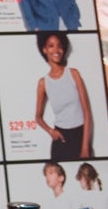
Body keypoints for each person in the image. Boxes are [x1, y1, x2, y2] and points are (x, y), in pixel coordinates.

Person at [32, 28, 92, 158]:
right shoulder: (43, 83)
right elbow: (38, 116)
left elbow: (86, 113)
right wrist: (50, 131)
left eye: (59, 46)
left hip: (80, 135)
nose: (56, 50)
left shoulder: (73, 74)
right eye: (51, 46)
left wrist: (85, 148)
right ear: (45, 50)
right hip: (61, 138)